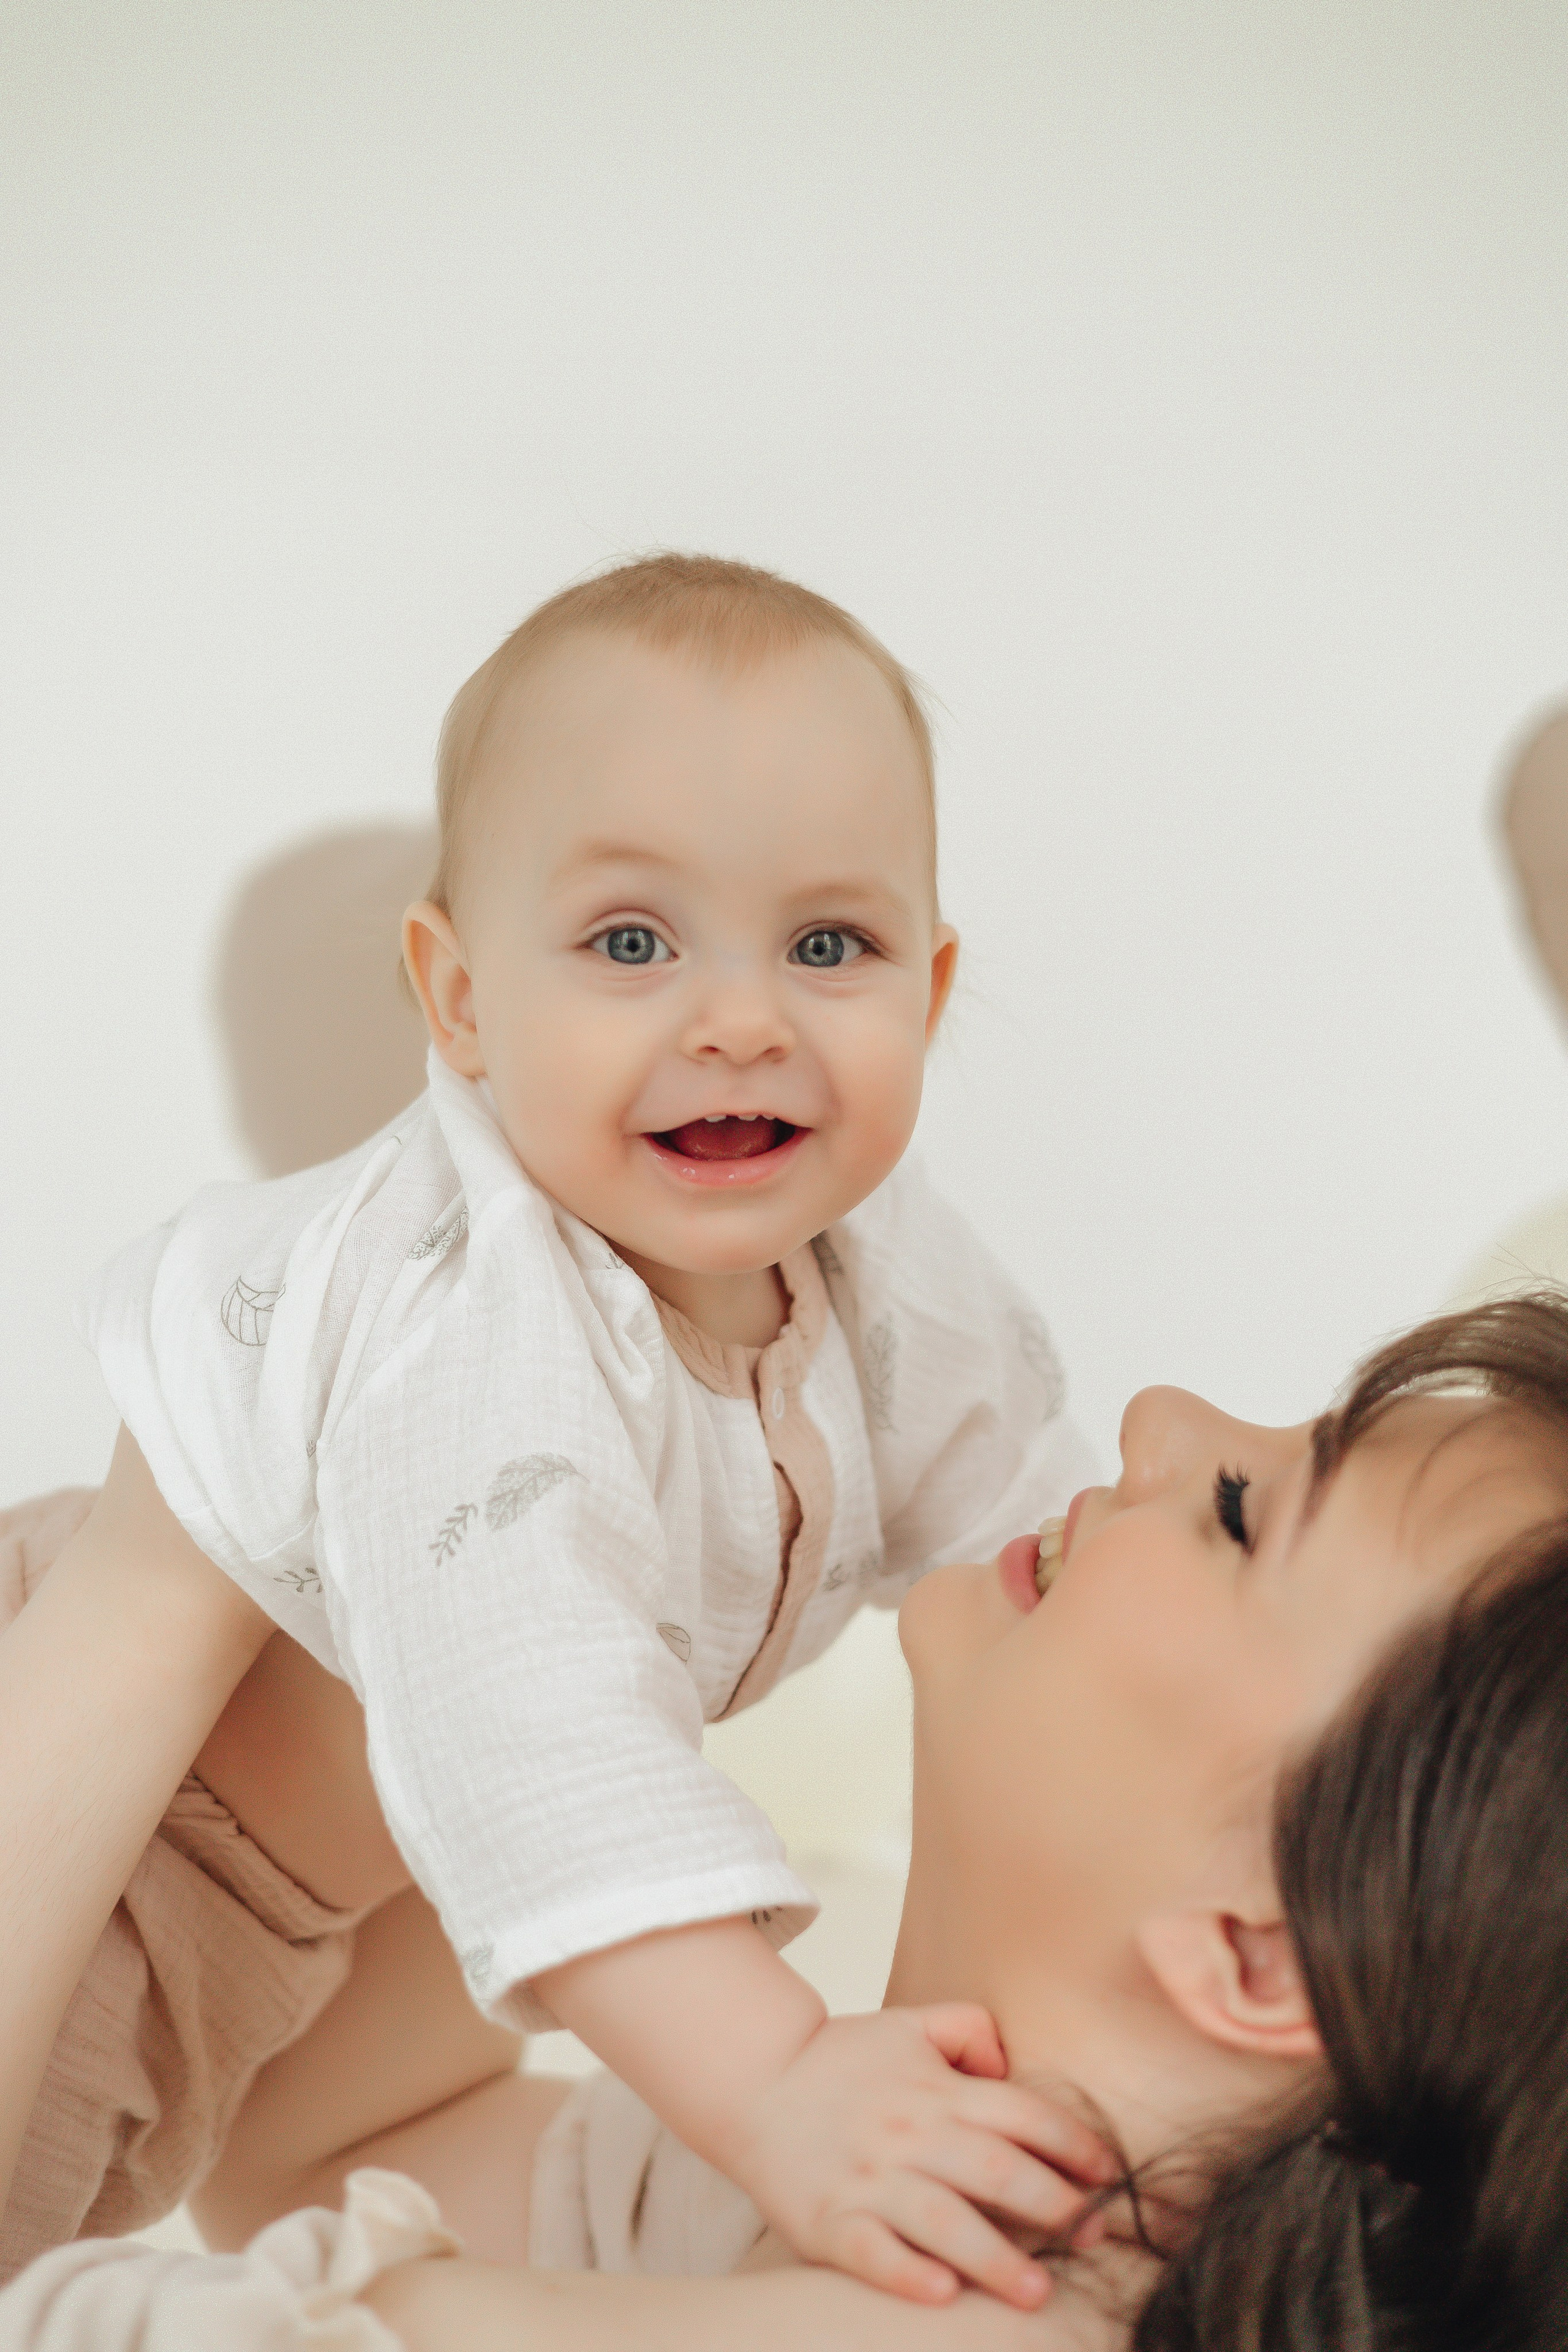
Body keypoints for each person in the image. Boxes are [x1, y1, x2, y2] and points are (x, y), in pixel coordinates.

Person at [1, 552, 1101, 2304]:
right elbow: (535, 1730)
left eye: (828, 945)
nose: (740, 1020)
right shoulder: (480, 1318)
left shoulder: (885, 1266)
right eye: (629, 943)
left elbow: (1035, 1533)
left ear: (932, 987)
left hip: (351, 1909)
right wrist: (777, 2083)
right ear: (458, 1002)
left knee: (376, 2152)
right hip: (125, 1845)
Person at [8, 1294, 1568, 2350]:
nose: (1162, 1416)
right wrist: (485, 1634)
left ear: (1259, 1951)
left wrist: (158, 1585)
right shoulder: (907, 2220)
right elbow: (338, 2148)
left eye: (1239, 1515)